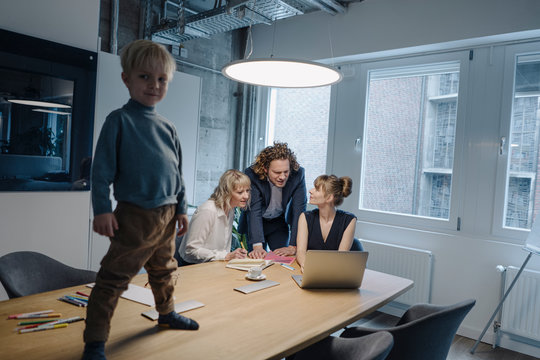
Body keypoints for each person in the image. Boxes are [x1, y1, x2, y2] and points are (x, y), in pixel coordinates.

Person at [83, 39, 198, 360]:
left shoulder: (168, 127)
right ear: (126, 79)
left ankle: (167, 313)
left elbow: (177, 173)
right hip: (133, 216)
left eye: (161, 79)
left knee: (164, 270)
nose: (154, 85)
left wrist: (182, 209)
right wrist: (102, 210)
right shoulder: (119, 121)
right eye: (145, 77)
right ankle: (94, 342)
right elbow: (100, 173)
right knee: (113, 280)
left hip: (167, 217)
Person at [238, 142, 307, 259]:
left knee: (283, 260)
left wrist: (293, 246)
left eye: (286, 172)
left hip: (278, 222)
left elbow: (299, 210)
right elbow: (254, 209)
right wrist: (257, 246)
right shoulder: (252, 175)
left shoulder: (298, 174)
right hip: (256, 223)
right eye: (277, 172)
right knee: (256, 259)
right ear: (265, 169)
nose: (282, 177)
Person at [178, 169, 250, 264]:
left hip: (215, 264)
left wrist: (232, 255)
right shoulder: (207, 210)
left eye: (247, 191)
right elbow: (191, 250)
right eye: (240, 192)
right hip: (192, 266)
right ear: (227, 192)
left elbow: (223, 250)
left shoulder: (231, 209)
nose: (246, 196)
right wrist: (226, 256)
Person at [296, 175, 356, 271]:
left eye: (317, 189)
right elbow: (300, 251)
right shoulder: (305, 217)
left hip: (334, 272)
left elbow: (341, 257)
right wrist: (306, 266)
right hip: (309, 271)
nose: (310, 190)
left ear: (329, 198)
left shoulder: (349, 220)